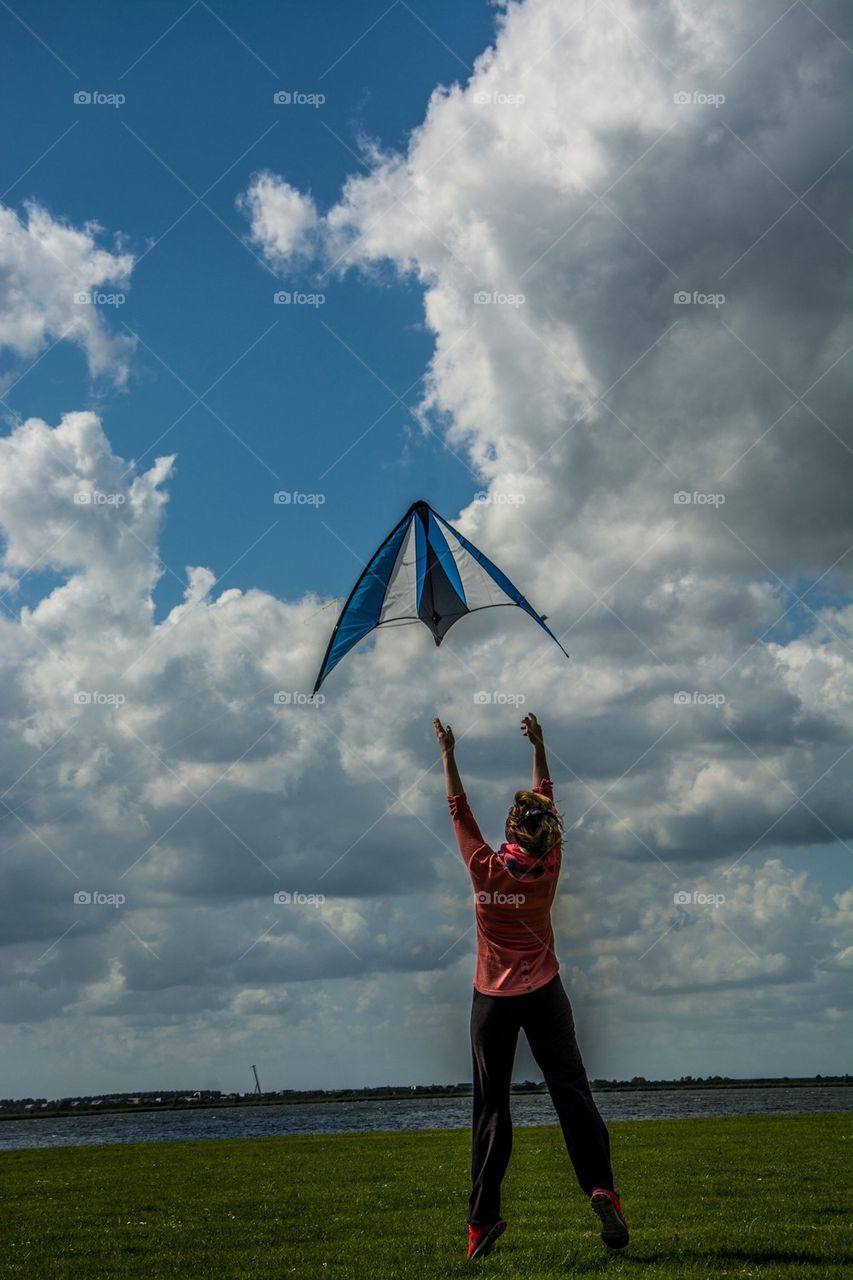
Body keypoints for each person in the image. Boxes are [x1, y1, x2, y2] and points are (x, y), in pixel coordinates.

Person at [433, 712, 629, 1261]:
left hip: (491, 999)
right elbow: (546, 799)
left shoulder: (483, 867)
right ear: (548, 833)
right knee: (571, 1091)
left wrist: (448, 754)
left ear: (512, 831)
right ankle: (601, 1188)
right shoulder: (550, 865)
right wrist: (541, 747)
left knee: (491, 1107)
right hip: (545, 992)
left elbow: (459, 809)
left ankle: (482, 1221)